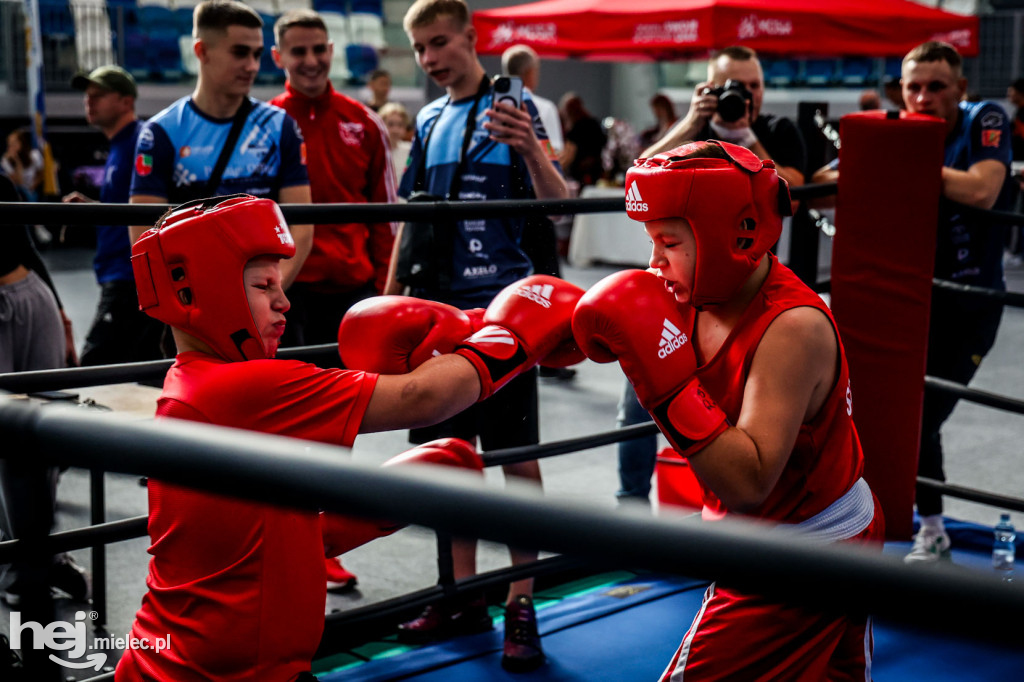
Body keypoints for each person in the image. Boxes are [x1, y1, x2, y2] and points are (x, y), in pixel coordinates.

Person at [115, 194, 582, 681]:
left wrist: (392, 503)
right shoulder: (243, 388)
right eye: (262, 285)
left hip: (216, 663)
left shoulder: (194, 383)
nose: (283, 300)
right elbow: (423, 397)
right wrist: (514, 331)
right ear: (200, 291)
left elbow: (271, 540)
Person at [572, 139, 884, 680]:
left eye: (668, 242)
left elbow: (748, 482)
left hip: (798, 547)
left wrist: (665, 389)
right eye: (651, 241)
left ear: (726, 236)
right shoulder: (688, 293)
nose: (654, 262)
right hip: (811, 525)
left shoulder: (792, 329)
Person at [388, 0, 569, 671]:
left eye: (440, 43)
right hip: (434, 319)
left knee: (517, 460)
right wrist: (387, 301)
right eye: (418, 48)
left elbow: (559, 203)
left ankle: (521, 602)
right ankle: (461, 593)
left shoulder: (519, 114)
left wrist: (526, 145)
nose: (431, 58)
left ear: (471, 38)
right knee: (446, 461)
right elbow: (409, 218)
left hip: (504, 318)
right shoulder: (429, 119)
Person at [896, 42, 1012, 562]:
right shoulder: (900, 129)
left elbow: (984, 189)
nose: (923, 97)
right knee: (906, 416)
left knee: (921, 420)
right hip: (919, 303)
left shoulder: (983, 117)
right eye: (913, 87)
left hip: (971, 306)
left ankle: (931, 529)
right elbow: (828, 182)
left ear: (959, 89)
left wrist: (902, 159)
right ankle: (932, 528)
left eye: (936, 86)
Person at [128, 0, 313, 291]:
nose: (252, 65)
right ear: (201, 51)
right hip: (191, 300)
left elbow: (301, 228)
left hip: (266, 296)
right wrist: (186, 302)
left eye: (257, 54)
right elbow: (143, 234)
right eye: (240, 53)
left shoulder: (280, 126)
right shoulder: (161, 131)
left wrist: (265, 295)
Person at [270, 9, 397, 355]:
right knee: (293, 401)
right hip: (286, 290)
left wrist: (388, 289)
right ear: (278, 57)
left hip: (355, 290)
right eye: (299, 52)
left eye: (318, 50)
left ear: (331, 50)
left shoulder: (366, 122)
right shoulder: (265, 123)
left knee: (354, 401)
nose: (311, 60)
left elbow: (386, 215)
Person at [0, 171, 87, 641]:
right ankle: (22, 564)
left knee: (46, 433)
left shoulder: (1, 178)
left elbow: (27, 239)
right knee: (5, 442)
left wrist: (58, 309)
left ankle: (44, 555)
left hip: (30, 295)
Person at [63, 65, 164, 366]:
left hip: (129, 276)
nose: (89, 100)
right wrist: (95, 206)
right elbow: (131, 205)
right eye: (88, 95)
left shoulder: (141, 141)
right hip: (122, 273)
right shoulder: (122, 145)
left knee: (93, 368)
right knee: (142, 368)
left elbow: (154, 206)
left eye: (99, 95)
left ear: (126, 102)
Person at [641, 46, 807, 196]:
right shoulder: (694, 129)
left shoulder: (779, 130)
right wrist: (690, 123)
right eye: (737, 87)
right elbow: (641, 174)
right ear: (712, 90)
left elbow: (796, 195)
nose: (748, 95)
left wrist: (749, 142)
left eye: (754, 85)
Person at [501, 44, 563, 155]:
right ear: (531, 72)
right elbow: (553, 151)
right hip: (534, 170)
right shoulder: (546, 108)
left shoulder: (491, 105)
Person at [559, 92, 606, 188]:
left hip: (582, 175)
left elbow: (568, 155)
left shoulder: (577, 128)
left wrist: (555, 169)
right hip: (597, 172)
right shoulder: (594, 123)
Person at [2, 128, 44, 202]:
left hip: (33, 191)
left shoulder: (34, 155)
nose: (12, 146)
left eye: (14, 143)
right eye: (10, 144)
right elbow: (19, 182)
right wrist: (17, 161)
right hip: (19, 192)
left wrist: (32, 187)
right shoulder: (6, 161)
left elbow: (41, 175)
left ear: (21, 142)